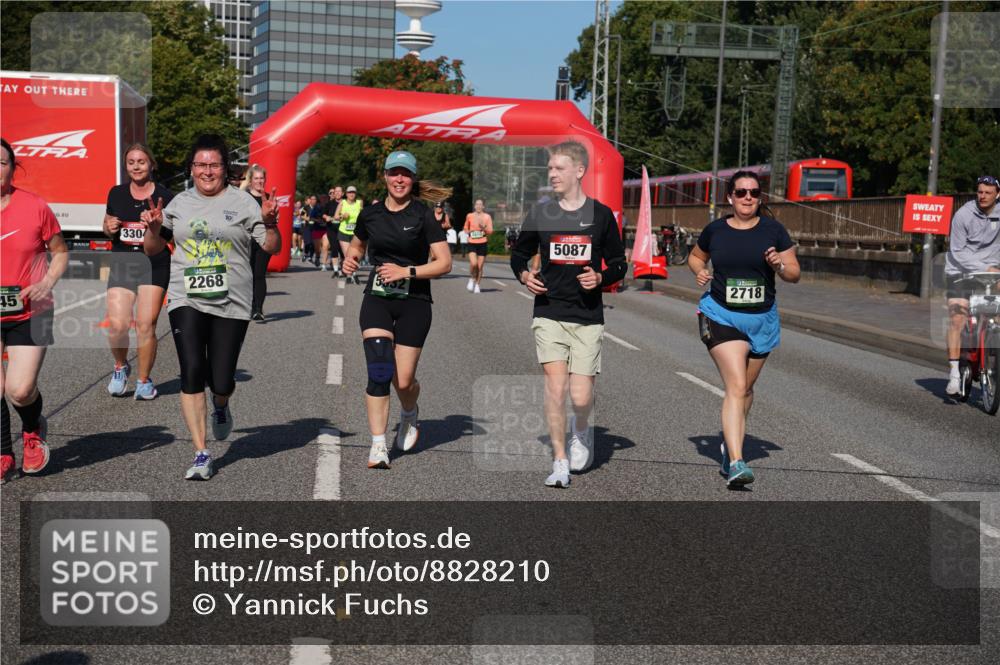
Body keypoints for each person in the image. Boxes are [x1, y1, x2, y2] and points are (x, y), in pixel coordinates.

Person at [141, 134, 280, 480]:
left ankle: (221, 403)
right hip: (185, 296)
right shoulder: (178, 204)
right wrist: (155, 230)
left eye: (214, 164)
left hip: (232, 299)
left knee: (220, 378)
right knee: (190, 370)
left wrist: (272, 222)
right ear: (191, 169)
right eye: (200, 165)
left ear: (225, 169)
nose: (207, 171)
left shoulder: (246, 203)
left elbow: (272, 247)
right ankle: (201, 452)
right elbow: (153, 249)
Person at [510, 141, 627, 488]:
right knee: (555, 387)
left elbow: (620, 263)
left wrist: (602, 277)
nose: (553, 175)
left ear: (579, 171)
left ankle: (581, 429)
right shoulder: (542, 212)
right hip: (549, 311)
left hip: (588, 315)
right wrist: (524, 275)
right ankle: (559, 460)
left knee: (580, 396)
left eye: (559, 168)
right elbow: (520, 253)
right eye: (549, 170)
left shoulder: (601, 215)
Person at [687, 170, 800, 486]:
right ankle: (737, 462)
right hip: (720, 315)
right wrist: (700, 270)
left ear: (760, 197)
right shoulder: (716, 231)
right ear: (730, 197)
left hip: (762, 320)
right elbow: (695, 257)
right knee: (736, 385)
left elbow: (794, 274)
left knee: (746, 389)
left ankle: (729, 444)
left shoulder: (774, 231)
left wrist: (779, 264)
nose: (747, 197)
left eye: (753, 192)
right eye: (741, 192)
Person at [341, 150, 452, 470]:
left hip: (415, 302)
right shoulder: (370, 214)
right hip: (376, 298)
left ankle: (409, 412)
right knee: (379, 371)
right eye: (393, 173)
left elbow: (444, 262)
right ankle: (378, 445)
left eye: (405, 173)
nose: (399, 179)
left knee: (403, 381)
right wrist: (351, 258)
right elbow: (358, 247)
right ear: (385, 177)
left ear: (413, 178)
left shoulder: (423, 216)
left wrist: (407, 272)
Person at [0, 137, 69, 482]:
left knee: (20, 389)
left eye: (1, 162)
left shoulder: (34, 206)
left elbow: (60, 251)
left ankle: (32, 427)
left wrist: (48, 282)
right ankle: (2, 451)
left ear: (13, 168)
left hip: (31, 309)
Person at [103, 143, 175, 399]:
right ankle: (120, 367)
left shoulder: (166, 197)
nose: (136, 166)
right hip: (123, 263)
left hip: (153, 263)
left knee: (146, 324)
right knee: (118, 326)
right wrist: (109, 226)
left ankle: (144, 381)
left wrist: (153, 228)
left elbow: (161, 245)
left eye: (141, 161)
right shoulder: (116, 193)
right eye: (131, 162)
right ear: (126, 166)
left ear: (151, 165)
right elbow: (107, 225)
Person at [944, 175, 1000, 395]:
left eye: (988, 192)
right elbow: (957, 253)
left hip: (991, 271)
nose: (983, 196)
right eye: (980, 192)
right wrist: (985, 268)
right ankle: (955, 374)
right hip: (960, 271)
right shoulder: (963, 215)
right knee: (957, 318)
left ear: (997, 194)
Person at [241, 164, 272, 323]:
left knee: (259, 275)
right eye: (256, 178)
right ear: (251, 180)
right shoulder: (242, 197)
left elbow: (275, 220)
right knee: (245, 275)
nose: (259, 181)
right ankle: (246, 306)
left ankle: (258, 309)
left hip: (263, 241)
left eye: (262, 178)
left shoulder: (268, 198)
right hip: (244, 241)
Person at [334, 185, 364, 283]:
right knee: (347, 254)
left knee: (355, 255)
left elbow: (363, 216)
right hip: (344, 232)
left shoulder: (359, 203)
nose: (351, 194)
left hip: (356, 233)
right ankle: (349, 275)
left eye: (353, 192)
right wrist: (343, 216)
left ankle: (353, 273)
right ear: (346, 194)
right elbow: (335, 217)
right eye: (350, 192)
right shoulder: (342, 203)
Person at [464, 199, 493, 293]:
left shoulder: (487, 217)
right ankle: (471, 278)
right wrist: (468, 231)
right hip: (472, 242)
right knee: (474, 263)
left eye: (480, 204)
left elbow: (490, 231)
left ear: (483, 206)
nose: (478, 206)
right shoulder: (470, 215)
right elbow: (465, 227)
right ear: (474, 206)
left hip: (482, 242)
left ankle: (477, 284)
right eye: (477, 204)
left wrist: (483, 228)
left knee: (480, 266)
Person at [324, 186, 344, 274]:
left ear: (342, 193)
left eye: (339, 191)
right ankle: (336, 270)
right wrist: (327, 217)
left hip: (343, 229)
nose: (337, 193)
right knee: (334, 247)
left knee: (342, 249)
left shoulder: (346, 203)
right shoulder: (329, 204)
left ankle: (344, 268)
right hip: (331, 229)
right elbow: (323, 214)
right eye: (336, 191)